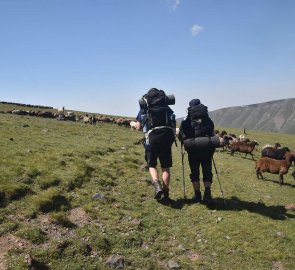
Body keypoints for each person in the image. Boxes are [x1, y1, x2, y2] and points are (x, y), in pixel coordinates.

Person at [136, 88, 176, 201]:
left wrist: (135, 124)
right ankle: (166, 192)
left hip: (152, 138)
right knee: (165, 166)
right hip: (166, 137)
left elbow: (139, 127)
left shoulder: (145, 108)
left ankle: (157, 186)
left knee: (152, 165)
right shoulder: (166, 107)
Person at [178, 99, 215, 204]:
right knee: (207, 171)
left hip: (193, 149)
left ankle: (197, 195)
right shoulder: (207, 118)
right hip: (207, 149)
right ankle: (207, 193)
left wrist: (184, 142)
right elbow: (212, 132)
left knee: (195, 172)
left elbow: (181, 135)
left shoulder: (186, 120)